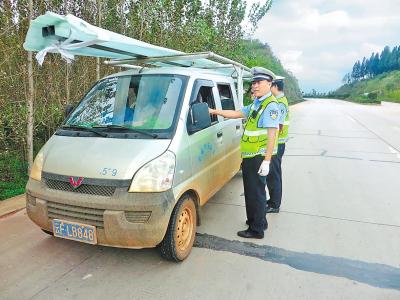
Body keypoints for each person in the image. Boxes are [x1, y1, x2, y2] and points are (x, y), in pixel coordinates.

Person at [209, 67, 279, 239]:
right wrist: (214, 111)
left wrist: (267, 161)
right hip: (251, 156)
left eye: (258, 82)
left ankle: (256, 230)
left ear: (269, 84)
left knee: (255, 192)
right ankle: (260, 221)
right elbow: (236, 113)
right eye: (253, 83)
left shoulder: (270, 105)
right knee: (256, 191)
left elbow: (272, 133)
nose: (254, 86)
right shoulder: (257, 103)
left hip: (258, 157)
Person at [266, 76, 289, 213]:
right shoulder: (281, 101)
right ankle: (273, 200)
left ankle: (274, 204)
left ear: (275, 87)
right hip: (279, 143)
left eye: (270, 85)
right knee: (274, 174)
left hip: (277, 143)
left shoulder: (279, 103)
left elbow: (277, 126)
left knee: (274, 174)